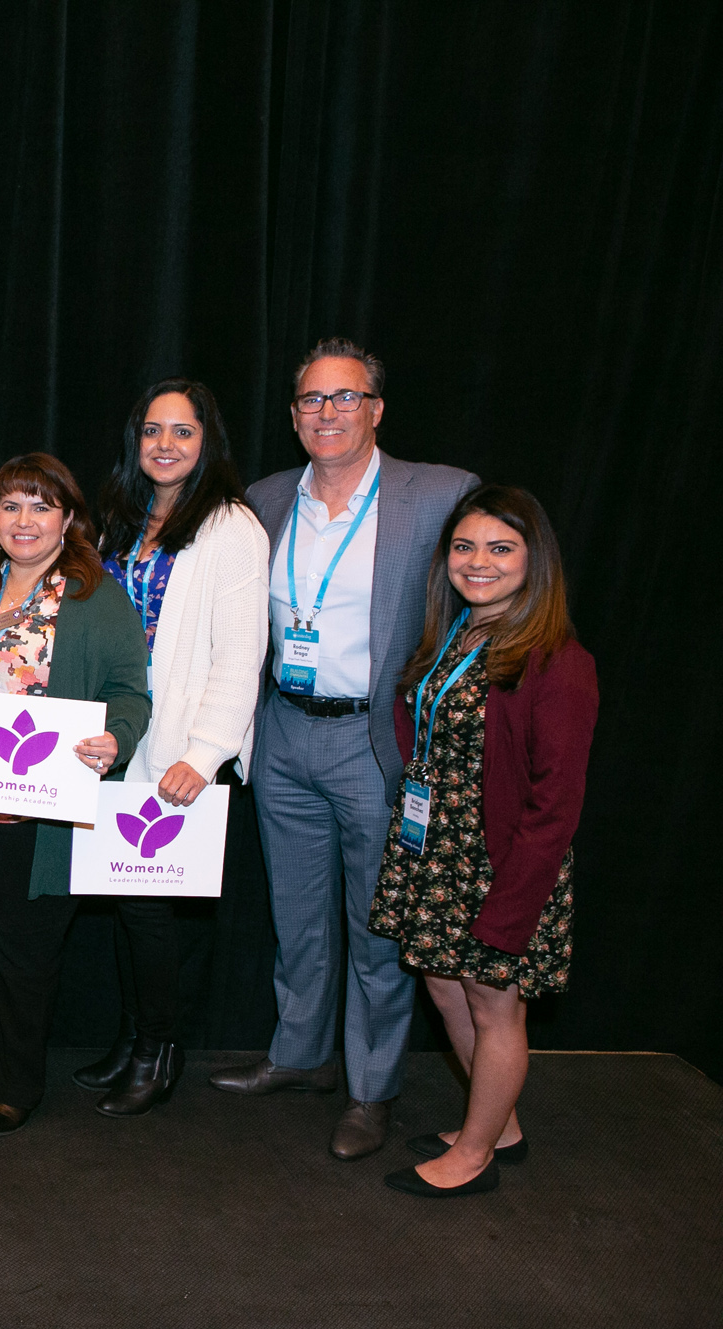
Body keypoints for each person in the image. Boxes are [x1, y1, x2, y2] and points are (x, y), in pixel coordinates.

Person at [211, 337, 479, 1161]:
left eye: (344, 397)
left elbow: (493, 586)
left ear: (376, 409)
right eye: (312, 401)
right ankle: (300, 1056)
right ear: (294, 417)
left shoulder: (437, 495)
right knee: (296, 917)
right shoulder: (260, 500)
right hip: (285, 729)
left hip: (373, 738)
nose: (327, 413)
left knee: (376, 927)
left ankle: (371, 1088)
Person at [371, 486, 596, 1197]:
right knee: (442, 984)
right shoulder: (459, 634)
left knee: (495, 1002)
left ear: (536, 561)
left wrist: (512, 903)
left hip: (503, 860)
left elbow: (554, 805)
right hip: (438, 849)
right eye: (465, 546)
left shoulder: (558, 660)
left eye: (501, 548)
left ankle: (473, 1155)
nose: (479, 562)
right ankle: (499, 1125)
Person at [0, 454, 152, 1136]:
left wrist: (116, 737)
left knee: (27, 951)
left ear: (67, 517)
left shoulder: (93, 594)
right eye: (10, 505)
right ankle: (5, 1053)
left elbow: (130, 689)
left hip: (44, 811)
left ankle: (15, 1085)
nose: (23, 520)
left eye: (39, 505)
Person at [74, 380, 269, 1116]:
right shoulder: (121, 520)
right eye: (152, 430)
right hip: (116, 738)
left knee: (151, 911)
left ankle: (159, 1051)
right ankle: (132, 1037)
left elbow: (240, 652)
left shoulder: (231, 528)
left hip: (180, 752)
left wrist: (209, 750)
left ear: (206, 440)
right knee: (125, 905)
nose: (165, 445)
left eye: (182, 432)